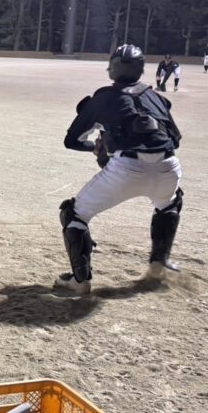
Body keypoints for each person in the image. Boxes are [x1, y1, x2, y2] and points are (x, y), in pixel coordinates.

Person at [56, 44, 183, 294]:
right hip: (168, 167)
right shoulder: (156, 97)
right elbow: (175, 140)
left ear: (111, 69)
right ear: (141, 69)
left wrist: (97, 147)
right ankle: (158, 265)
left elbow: (72, 141)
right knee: (169, 204)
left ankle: (79, 282)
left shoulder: (103, 98)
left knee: (73, 214)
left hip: (126, 170)